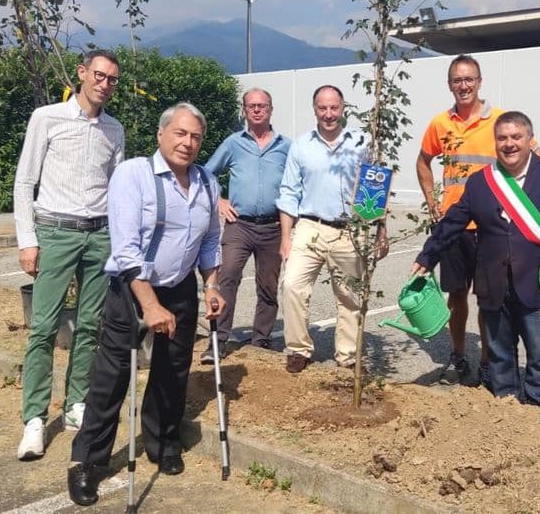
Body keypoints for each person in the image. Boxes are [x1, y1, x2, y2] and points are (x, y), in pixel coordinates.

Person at [67, 103, 225, 506]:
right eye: (180, 133)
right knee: (113, 374)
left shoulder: (208, 183)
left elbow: (208, 240)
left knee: (173, 370)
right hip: (132, 289)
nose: (188, 143)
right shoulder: (133, 175)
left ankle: (162, 440)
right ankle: (88, 461)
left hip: (180, 289)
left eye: (195, 137)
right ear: (161, 134)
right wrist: (151, 306)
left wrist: (211, 285)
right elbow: (126, 249)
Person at [412, 111, 540, 409]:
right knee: (498, 350)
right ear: (495, 143)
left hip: (539, 279)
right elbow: (455, 220)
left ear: (529, 140)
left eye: (516, 137)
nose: (509, 144)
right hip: (492, 280)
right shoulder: (481, 181)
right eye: (502, 138)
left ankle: (537, 409)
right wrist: (429, 255)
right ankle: (505, 406)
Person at [14, 49, 124, 461]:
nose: (105, 84)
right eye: (99, 75)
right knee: (43, 328)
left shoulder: (114, 130)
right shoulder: (47, 117)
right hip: (55, 232)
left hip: (99, 237)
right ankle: (35, 419)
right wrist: (28, 239)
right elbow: (25, 181)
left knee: (90, 325)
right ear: (82, 73)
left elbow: (117, 191)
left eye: (112, 79)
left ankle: (77, 400)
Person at [416, 54, 540, 386]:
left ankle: (488, 361)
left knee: (489, 298)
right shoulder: (440, 124)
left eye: (469, 79)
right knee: (456, 295)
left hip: (491, 226)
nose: (464, 85)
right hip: (455, 226)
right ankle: (459, 355)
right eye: (457, 80)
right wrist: (433, 203)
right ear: (450, 85)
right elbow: (423, 161)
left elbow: (537, 156)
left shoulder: (500, 120)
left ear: (479, 81)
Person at [277, 85, 387, 374]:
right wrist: (286, 237)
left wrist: (380, 231)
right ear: (314, 110)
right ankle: (298, 349)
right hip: (310, 227)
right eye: (322, 108)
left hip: (349, 230)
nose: (328, 114)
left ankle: (348, 357)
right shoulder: (301, 145)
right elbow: (289, 192)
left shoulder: (363, 142)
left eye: (334, 108)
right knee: (292, 285)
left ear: (343, 108)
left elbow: (374, 189)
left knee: (349, 296)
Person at [200, 88, 291, 363]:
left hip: (273, 226)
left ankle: (260, 341)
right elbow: (205, 173)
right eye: (251, 106)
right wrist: (219, 201)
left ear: (271, 109)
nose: (256, 110)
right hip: (239, 225)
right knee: (226, 275)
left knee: (267, 285)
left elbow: (298, 182)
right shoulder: (233, 143)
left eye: (262, 105)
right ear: (244, 110)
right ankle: (218, 340)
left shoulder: (286, 146)